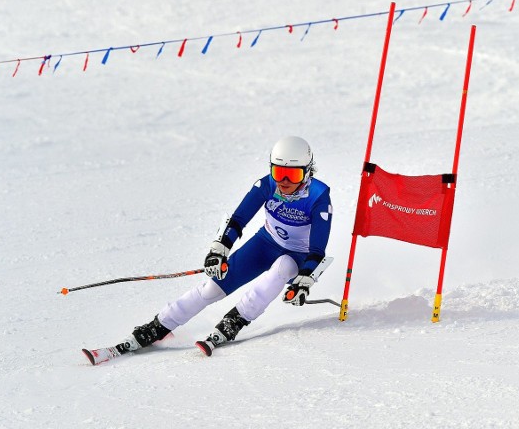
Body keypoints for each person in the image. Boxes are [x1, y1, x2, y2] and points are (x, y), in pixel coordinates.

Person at [83, 136, 333, 364]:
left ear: (307, 172)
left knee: (282, 268)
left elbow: (317, 249)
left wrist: (304, 280)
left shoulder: (319, 196)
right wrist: (220, 249)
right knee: (212, 287)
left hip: (298, 255)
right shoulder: (266, 185)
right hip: (265, 244)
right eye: (279, 172)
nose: (284, 181)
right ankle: (157, 327)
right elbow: (238, 220)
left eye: (293, 175)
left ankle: (234, 320)